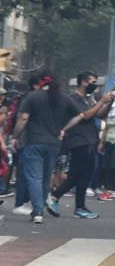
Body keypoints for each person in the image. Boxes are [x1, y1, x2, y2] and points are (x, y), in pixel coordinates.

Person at [51, 72, 112, 219]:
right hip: (79, 141)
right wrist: (101, 102)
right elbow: (86, 115)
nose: (94, 85)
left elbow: (99, 114)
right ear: (83, 82)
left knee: (84, 175)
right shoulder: (73, 99)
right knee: (77, 175)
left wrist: (109, 103)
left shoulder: (88, 99)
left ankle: (79, 206)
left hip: (89, 141)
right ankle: (55, 196)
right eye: (92, 82)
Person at [12, 75, 71, 223]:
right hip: (54, 144)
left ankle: (37, 211)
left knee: (34, 177)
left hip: (34, 142)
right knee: (46, 178)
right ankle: (40, 209)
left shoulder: (33, 96)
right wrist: (63, 129)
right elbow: (79, 115)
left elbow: (24, 118)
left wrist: (15, 136)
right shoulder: (63, 98)